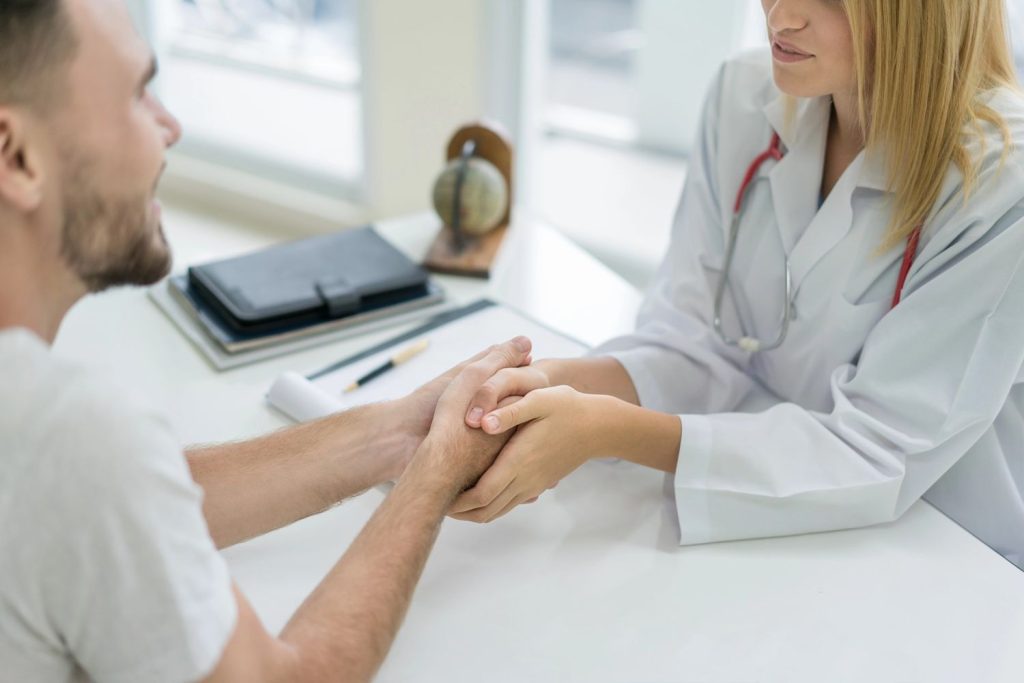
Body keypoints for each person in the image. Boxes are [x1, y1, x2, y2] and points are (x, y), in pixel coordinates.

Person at [0, 0, 532, 680]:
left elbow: (126, 498)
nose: (170, 125)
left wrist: (395, 433)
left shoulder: (63, 453)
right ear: (17, 156)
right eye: (137, 94)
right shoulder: (72, 437)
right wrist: (436, 472)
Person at [453, 0, 1024, 570]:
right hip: (786, 522)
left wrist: (605, 429)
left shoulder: (1004, 183)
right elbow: (693, 335)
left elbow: (880, 450)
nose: (781, 15)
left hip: (950, 548)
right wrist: (555, 384)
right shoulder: (744, 95)